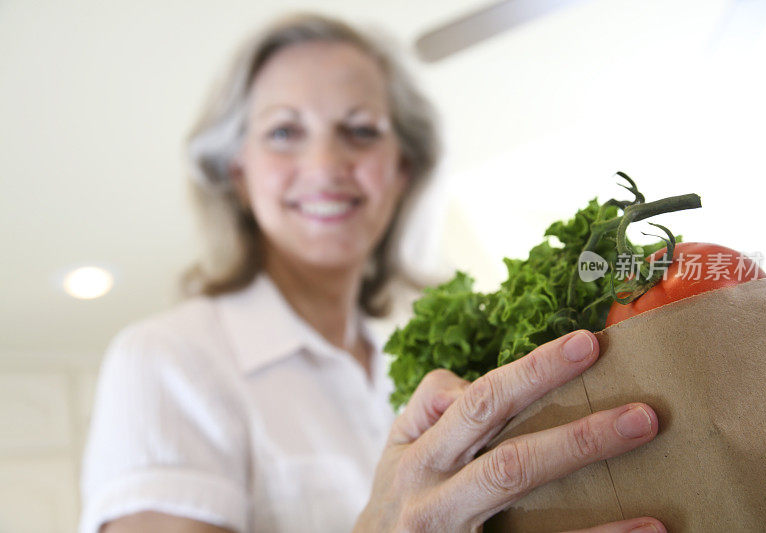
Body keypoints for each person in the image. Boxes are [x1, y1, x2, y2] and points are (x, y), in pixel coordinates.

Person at [80, 12, 667, 533]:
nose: (325, 164)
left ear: (401, 170)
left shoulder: (420, 365)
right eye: (284, 132)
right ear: (239, 172)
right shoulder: (168, 358)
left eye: (360, 131)